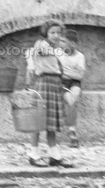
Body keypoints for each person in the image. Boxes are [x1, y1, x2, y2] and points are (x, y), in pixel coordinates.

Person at [26, 20, 72, 168]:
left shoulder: (56, 48)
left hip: (55, 84)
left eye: (58, 32)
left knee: (52, 123)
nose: (56, 35)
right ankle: (34, 154)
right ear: (46, 33)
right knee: (38, 122)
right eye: (52, 32)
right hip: (43, 83)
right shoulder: (42, 44)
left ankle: (55, 156)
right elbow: (33, 52)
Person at [59, 29, 86, 149]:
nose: (60, 43)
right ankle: (72, 132)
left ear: (72, 44)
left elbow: (79, 76)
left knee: (73, 98)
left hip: (75, 83)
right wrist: (70, 73)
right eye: (60, 40)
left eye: (63, 41)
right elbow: (57, 73)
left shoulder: (80, 56)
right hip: (61, 83)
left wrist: (65, 72)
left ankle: (72, 131)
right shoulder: (57, 53)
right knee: (70, 100)